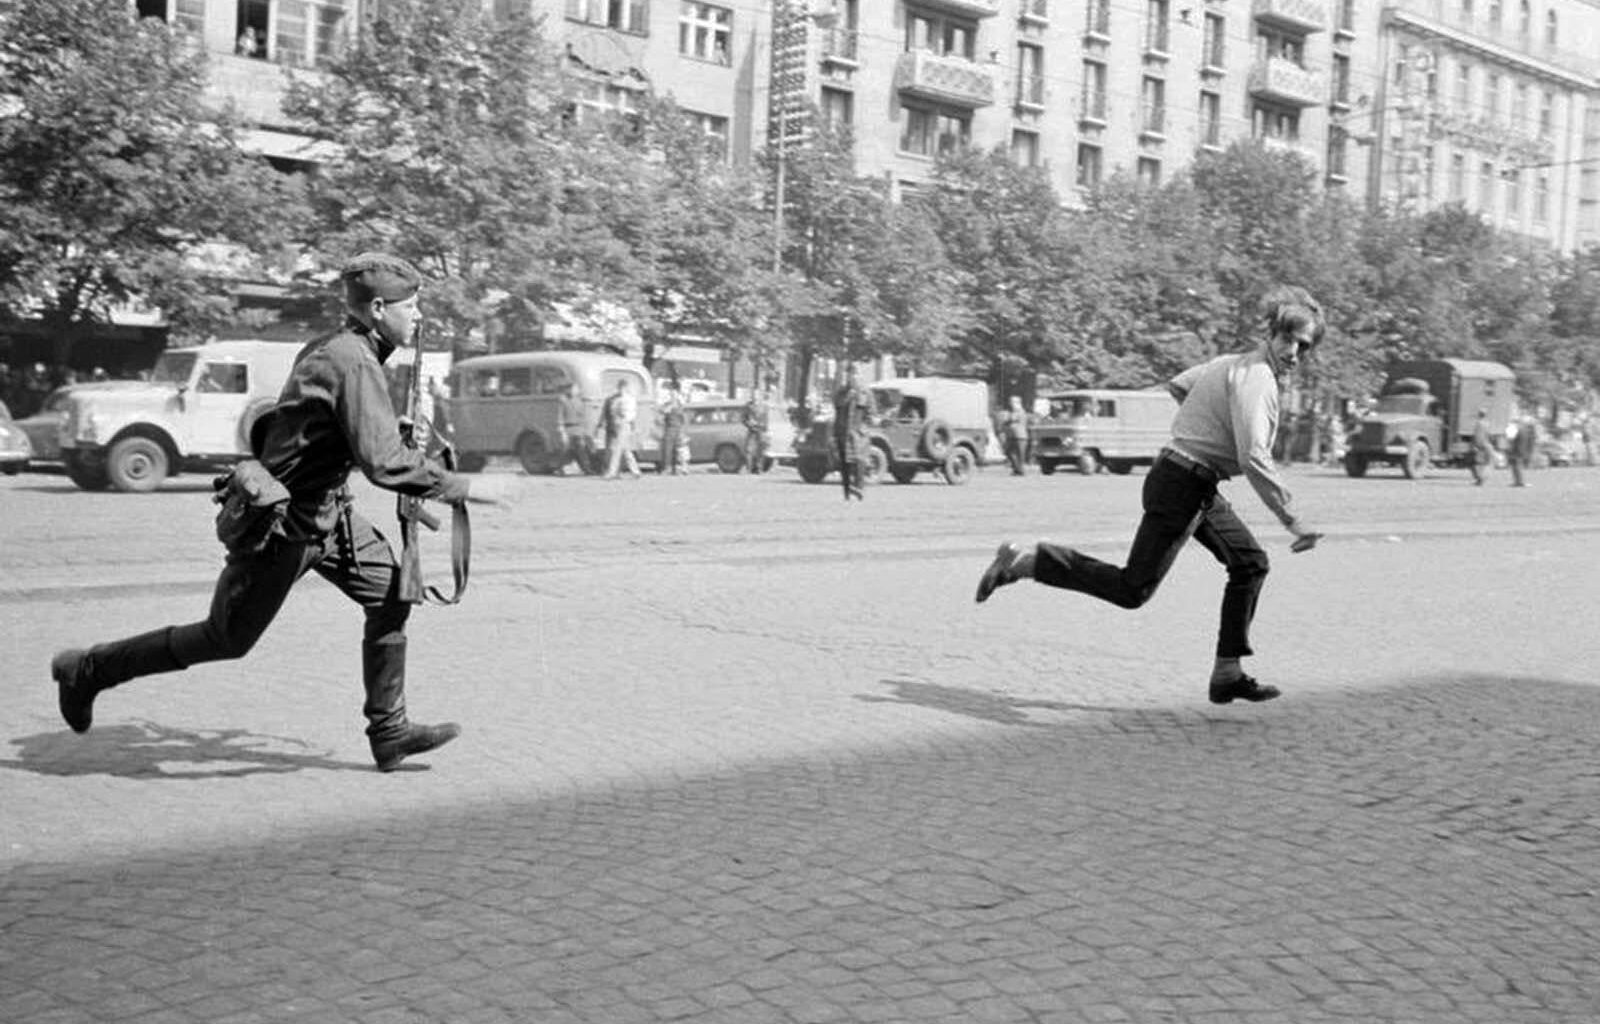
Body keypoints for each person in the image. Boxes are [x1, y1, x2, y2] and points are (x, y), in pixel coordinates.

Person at [49, 253, 512, 772]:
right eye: (413, 306)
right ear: (379, 308)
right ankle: (87, 669)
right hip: (283, 527)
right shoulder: (351, 360)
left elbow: (305, 429)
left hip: (330, 517)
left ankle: (389, 731)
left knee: (389, 596)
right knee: (225, 639)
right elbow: (383, 464)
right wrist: (465, 486)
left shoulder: (341, 350)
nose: (420, 316)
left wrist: (382, 429)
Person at [975, 285, 1328, 706]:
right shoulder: (1258, 379)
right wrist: (1293, 518)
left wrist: (1207, 422)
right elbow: (1253, 455)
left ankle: (1227, 672)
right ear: (1270, 333)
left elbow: (1180, 386)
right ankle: (1026, 563)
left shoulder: (1230, 363)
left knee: (1250, 563)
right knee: (1132, 589)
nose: (1293, 351)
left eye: (1302, 346)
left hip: (1194, 480)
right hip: (1182, 482)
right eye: (1287, 338)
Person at [832, 364, 873, 501]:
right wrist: (848, 397)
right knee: (845, 463)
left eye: (855, 374)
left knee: (859, 461)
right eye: (849, 374)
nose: (852, 377)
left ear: (859, 375)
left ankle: (859, 489)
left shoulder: (866, 393)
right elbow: (837, 407)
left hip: (859, 434)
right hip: (843, 432)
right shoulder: (841, 392)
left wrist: (865, 428)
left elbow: (871, 413)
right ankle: (847, 493)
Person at [601, 378, 642, 479]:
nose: (621, 390)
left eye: (623, 387)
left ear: (626, 388)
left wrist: (630, 424)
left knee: (617, 449)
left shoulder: (629, 399)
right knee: (625, 449)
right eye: (620, 387)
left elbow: (630, 414)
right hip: (616, 424)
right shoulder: (616, 399)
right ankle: (635, 470)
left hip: (623, 423)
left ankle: (612, 472)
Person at [556, 382, 590, 475]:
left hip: (578, 428)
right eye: (571, 389)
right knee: (565, 449)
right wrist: (561, 428)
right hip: (567, 427)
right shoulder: (563, 400)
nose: (572, 391)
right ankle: (560, 468)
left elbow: (583, 416)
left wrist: (584, 429)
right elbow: (560, 415)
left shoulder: (580, 401)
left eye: (575, 389)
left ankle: (586, 469)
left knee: (581, 449)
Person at [658, 383, 687, 475]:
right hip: (671, 429)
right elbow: (662, 411)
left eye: (673, 394)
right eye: (671, 394)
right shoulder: (669, 404)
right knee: (668, 450)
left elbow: (683, 418)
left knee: (680, 450)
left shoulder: (680, 405)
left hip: (676, 429)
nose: (672, 396)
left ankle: (683, 468)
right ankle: (668, 468)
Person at [999, 394, 1030, 476]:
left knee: (1020, 455)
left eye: (1012, 402)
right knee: (1008, 451)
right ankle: (1017, 468)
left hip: (1020, 437)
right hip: (1011, 436)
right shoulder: (1012, 412)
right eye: (1010, 402)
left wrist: (1006, 419)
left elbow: (1010, 419)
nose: (1010, 403)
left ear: (1017, 403)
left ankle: (1020, 470)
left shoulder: (1020, 411)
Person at [742, 390, 771, 474]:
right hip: (751, 430)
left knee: (761, 451)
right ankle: (749, 469)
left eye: (756, 395)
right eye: (753, 394)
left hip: (761, 430)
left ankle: (759, 468)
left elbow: (766, 419)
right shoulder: (748, 406)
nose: (755, 396)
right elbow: (743, 418)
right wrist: (749, 424)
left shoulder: (764, 406)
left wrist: (765, 428)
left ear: (759, 396)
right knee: (749, 450)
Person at [1508, 413, 1537, 487]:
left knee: (1517, 466)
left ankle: (1519, 482)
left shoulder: (1522, 430)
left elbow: (1517, 440)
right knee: (1516, 466)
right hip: (1519, 450)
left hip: (1518, 450)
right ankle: (1517, 481)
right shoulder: (1526, 431)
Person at [1469, 407, 1494, 486]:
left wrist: (1475, 446)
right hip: (1486, 445)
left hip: (1481, 446)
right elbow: (1488, 435)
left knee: (1477, 464)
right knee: (1485, 464)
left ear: (1479, 414)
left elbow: (1477, 436)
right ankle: (1481, 480)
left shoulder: (1478, 424)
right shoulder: (1487, 424)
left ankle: (1480, 480)